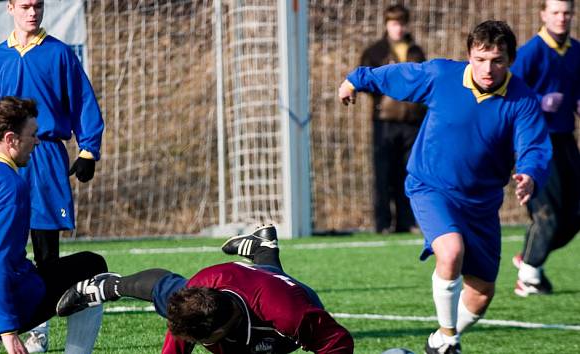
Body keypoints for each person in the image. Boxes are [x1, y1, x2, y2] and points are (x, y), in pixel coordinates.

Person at [338, 21, 552, 354]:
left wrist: (529, 173)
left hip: (482, 203)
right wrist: (356, 79)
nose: (488, 68)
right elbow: (397, 76)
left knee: (481, 293)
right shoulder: (442, 76)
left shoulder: (523, 99)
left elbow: (534, 146)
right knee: (450, 251)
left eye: (497, 60)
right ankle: (449, 337)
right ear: (469, 55)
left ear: (509, 60)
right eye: (480, 59)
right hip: (431, 186)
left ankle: (438, 343)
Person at [0, 0, 104, 351]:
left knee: (46, 250)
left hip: (45, 154)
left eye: (38, 6)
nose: (32, 12)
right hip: (0, 158)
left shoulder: (60, 53)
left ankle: (40, 328)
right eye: (25, 6)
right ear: (10, 8)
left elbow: (83, 100)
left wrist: (88, 149)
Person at [0, 97, 107, 354]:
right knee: (92, 265)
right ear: (11, 139)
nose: (37, 141)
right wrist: (8, 332)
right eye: (33, 135)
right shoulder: (7, 185)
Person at [55, 225, 355, 353]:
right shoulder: (195, 295)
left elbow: (339, 342)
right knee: (165, 289)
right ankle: (106, 286)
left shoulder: (293, 316)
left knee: (271, 275)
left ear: (219, 331)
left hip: (282, 298)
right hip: (227, 281)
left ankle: (264, 249)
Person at [510, 0, 580, 297]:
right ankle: (528, 276)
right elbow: (508, 94)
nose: (561, 18)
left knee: (575, 213)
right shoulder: (530, 53)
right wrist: (538, 102)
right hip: (536, 142)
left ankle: (529, 258)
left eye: (567, 12)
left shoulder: (576, 50)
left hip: (566, 140)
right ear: (543, 15)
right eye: (555, 12)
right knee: (547, 215)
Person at [358, 4, 426, 234]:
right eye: (394, 23)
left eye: (401, 23)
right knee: (384, 173)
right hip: (385, 120)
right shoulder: (375, 52)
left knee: (409, 172)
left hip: (412, 122)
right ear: (387, 25)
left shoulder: (416, 51)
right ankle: (383, 223)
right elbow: (365, 80)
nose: (398, 28)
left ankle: (407, 222)